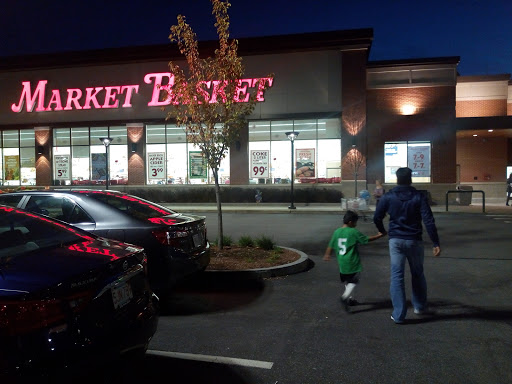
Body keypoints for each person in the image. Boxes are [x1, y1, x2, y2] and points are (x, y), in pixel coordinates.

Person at [373, 167, 441, 324]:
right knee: (417, 273)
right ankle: (419, 307)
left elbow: (377, 217)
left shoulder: (388, 196)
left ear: (397, 179)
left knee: (397, 276)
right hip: (414, 240)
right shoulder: (419, 196)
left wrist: (383, 231)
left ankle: (399, 314)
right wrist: (435, 242)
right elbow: (429, 220)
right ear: (410, 179)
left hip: (396, 240)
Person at [323, 210, 384, 312]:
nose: (356, 224)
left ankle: (351, 299)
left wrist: (327, 254)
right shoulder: (352, 232)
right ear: (351, 222)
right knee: (354, 281)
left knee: (348, 281)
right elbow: (366, 239)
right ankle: (345, 297)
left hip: (341, 262)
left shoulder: (337, 232)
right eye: (355, 222)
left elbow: (331, 245)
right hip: (352, 261)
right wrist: (379, 235)